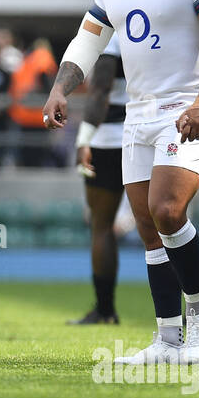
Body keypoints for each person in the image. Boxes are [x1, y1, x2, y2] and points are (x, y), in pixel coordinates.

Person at [43, 0, 199, 364]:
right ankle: (167, 340)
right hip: (138, 112)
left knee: (168, 211)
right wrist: (61, 88)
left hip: (187, 109)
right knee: (149, 228)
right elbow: (88, 40)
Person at [72, 33, 127, 324]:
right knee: (161, 230)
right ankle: (176, 316)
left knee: (102, 226)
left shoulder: (111, 36)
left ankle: (105, 310)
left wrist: (84, 139)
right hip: (150, 134)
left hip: (109, 137)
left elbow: (100, 90)